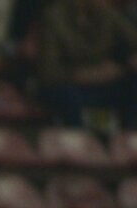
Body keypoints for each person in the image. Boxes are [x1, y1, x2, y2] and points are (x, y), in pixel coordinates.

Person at [37, 0, 137, 129]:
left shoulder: (107, 13)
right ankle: (97, 132)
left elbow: (132, 38)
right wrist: (90, 74)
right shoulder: (55, 16)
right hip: (70, 85)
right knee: (72, 99)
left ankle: (128, 134)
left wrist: (130, 58)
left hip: (105, 83)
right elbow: (49, 71)